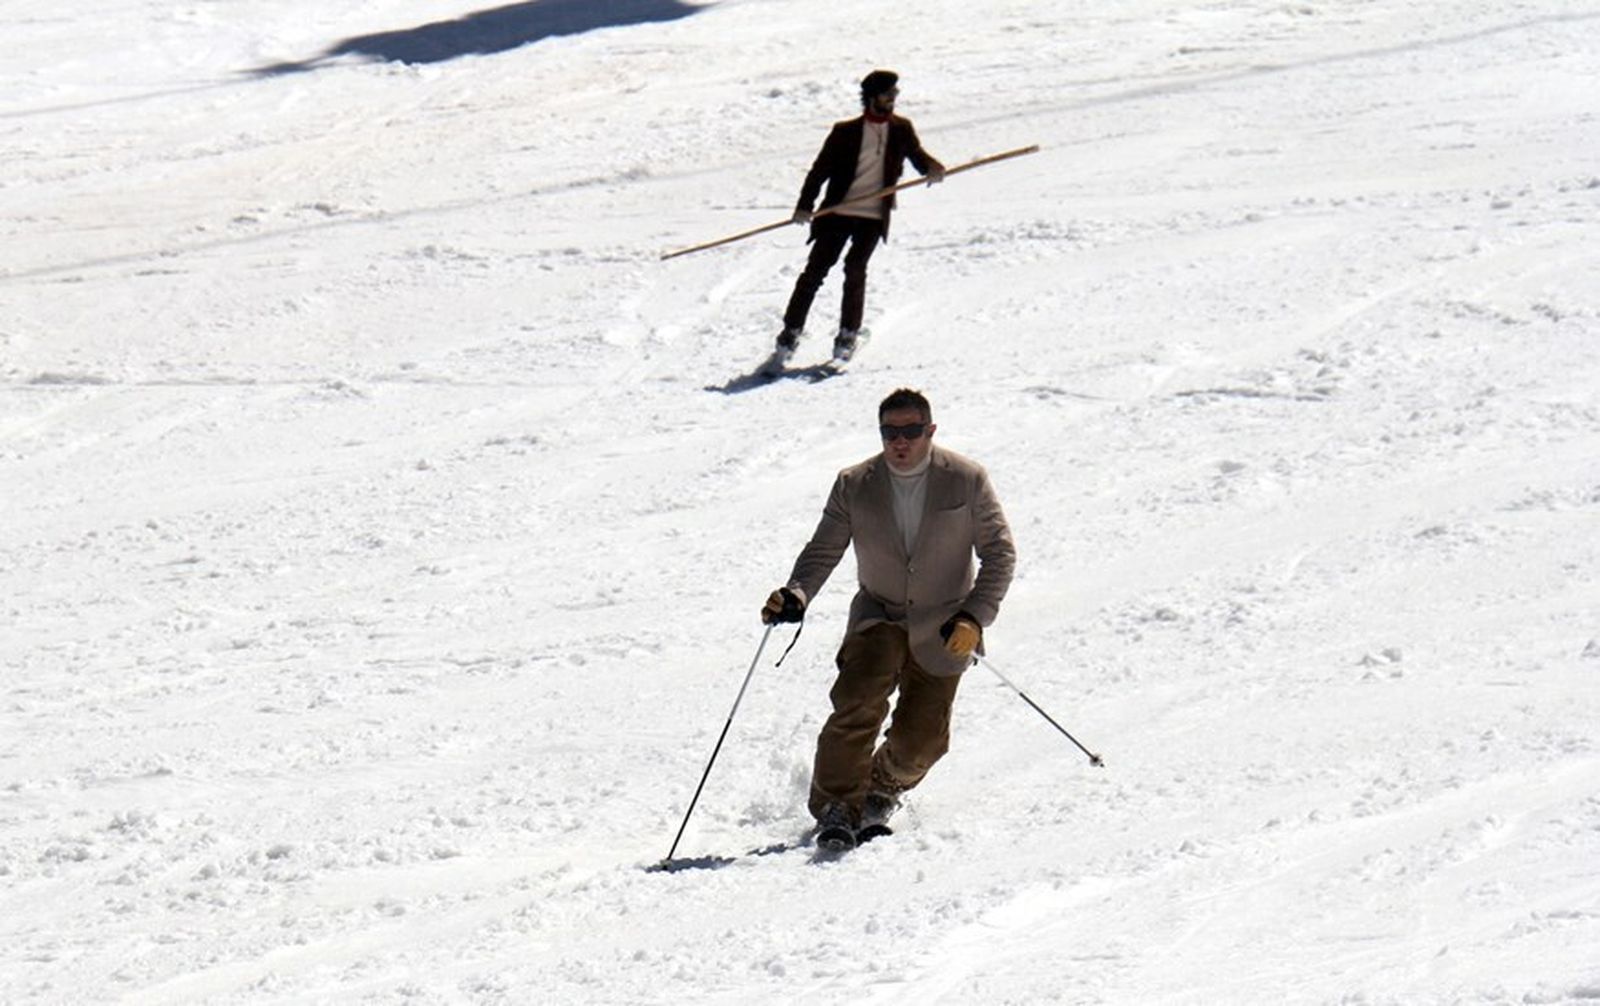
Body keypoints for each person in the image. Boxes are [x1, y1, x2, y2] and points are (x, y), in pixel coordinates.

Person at [761, 388, 1015, 850]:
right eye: (890, 432)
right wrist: (797, 593)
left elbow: (999, 554)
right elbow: (823, 549)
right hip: (878, 614)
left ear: (930, 431)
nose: (901, 441)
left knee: (924, 740)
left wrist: (974, 618)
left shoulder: (966, 479)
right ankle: (837, 804)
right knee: (857, 701)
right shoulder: (855, 483)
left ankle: (882, 787)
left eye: (911, 431)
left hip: (945, 625)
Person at [766, 70, 946, 372]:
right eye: (888, 93)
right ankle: (790, 333)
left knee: (855, 268)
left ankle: (848, 334)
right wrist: (804, 207)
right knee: (815, 272)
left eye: (895, 93)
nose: (893, 99)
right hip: (838, 213)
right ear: (872, 97)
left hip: (872, 217)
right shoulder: (845, 132)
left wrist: (932, 167)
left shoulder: (901, 129)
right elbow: (819, 171)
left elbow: (917, 156)